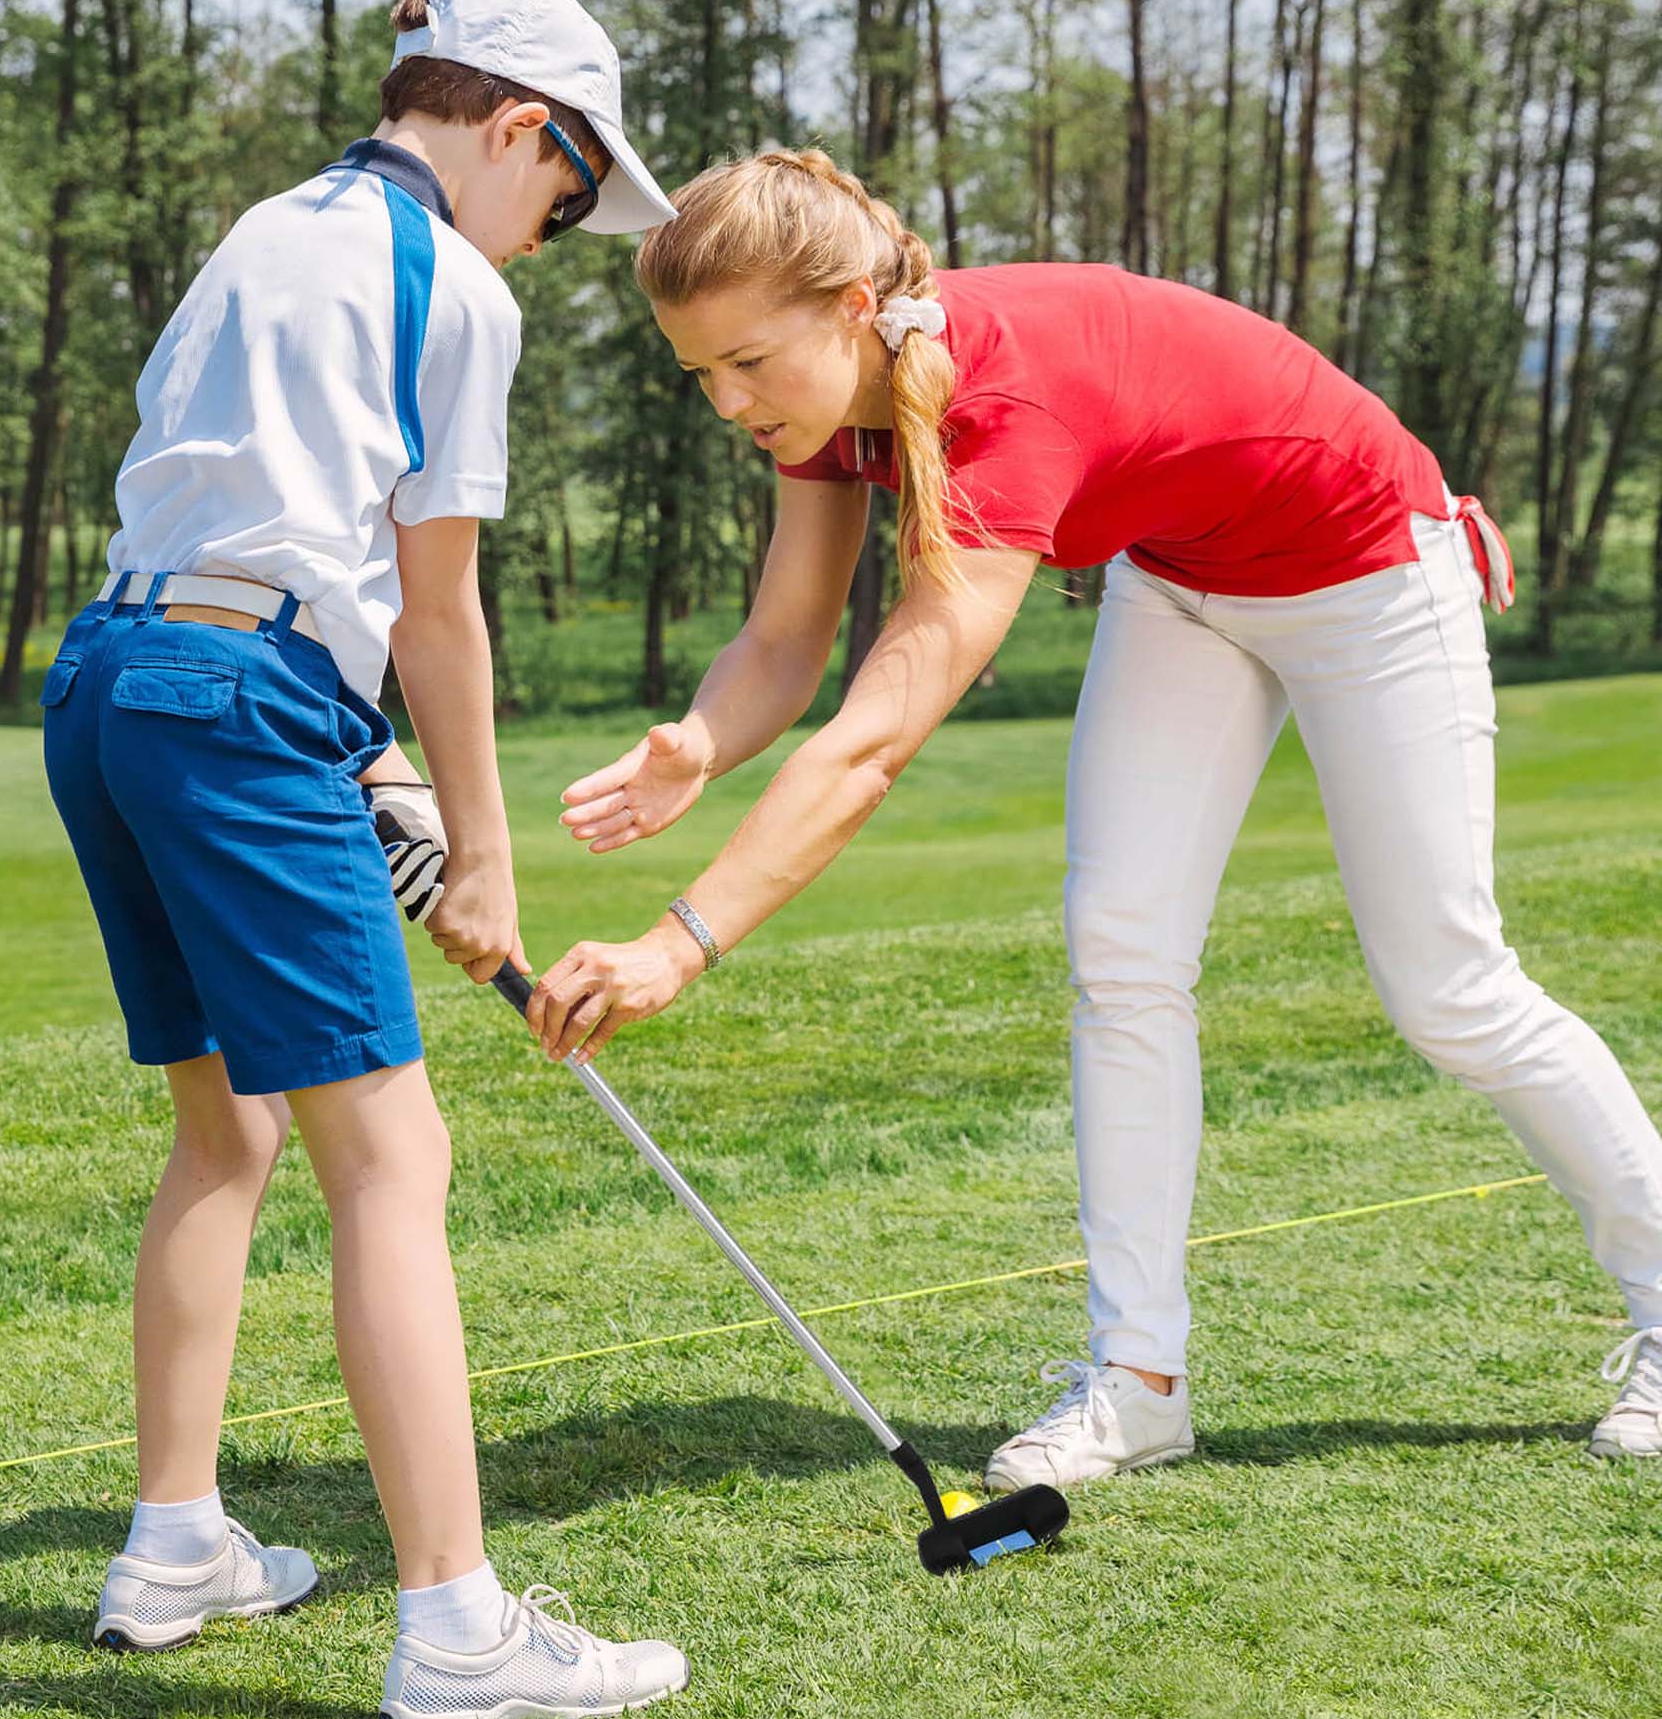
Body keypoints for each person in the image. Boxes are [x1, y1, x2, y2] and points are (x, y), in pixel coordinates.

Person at [523, 145, 1662, 1490]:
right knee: (1121, 955)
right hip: (1184, 577)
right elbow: (784, 643)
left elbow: (874, 739)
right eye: (699, 373)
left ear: (847, 308)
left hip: (1366, 569)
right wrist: (698, 744)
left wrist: (677, 944)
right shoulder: (827, 409)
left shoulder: (1007, 411)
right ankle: (1139, 1383)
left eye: (749, 363)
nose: (727, 402)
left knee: (1448, 987)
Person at [39, 0, 690, 1719]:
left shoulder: (264, 227)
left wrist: (363, 760)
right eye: (565, 194)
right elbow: (438, 599)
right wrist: (481, 854)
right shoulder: (455, 287)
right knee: (395, 1153)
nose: (552, 233)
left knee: (226, 1125)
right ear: (517, 130)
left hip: (113, 677)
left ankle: (175, 1544)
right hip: (244, 702)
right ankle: (460, 1630)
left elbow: (239, 511)